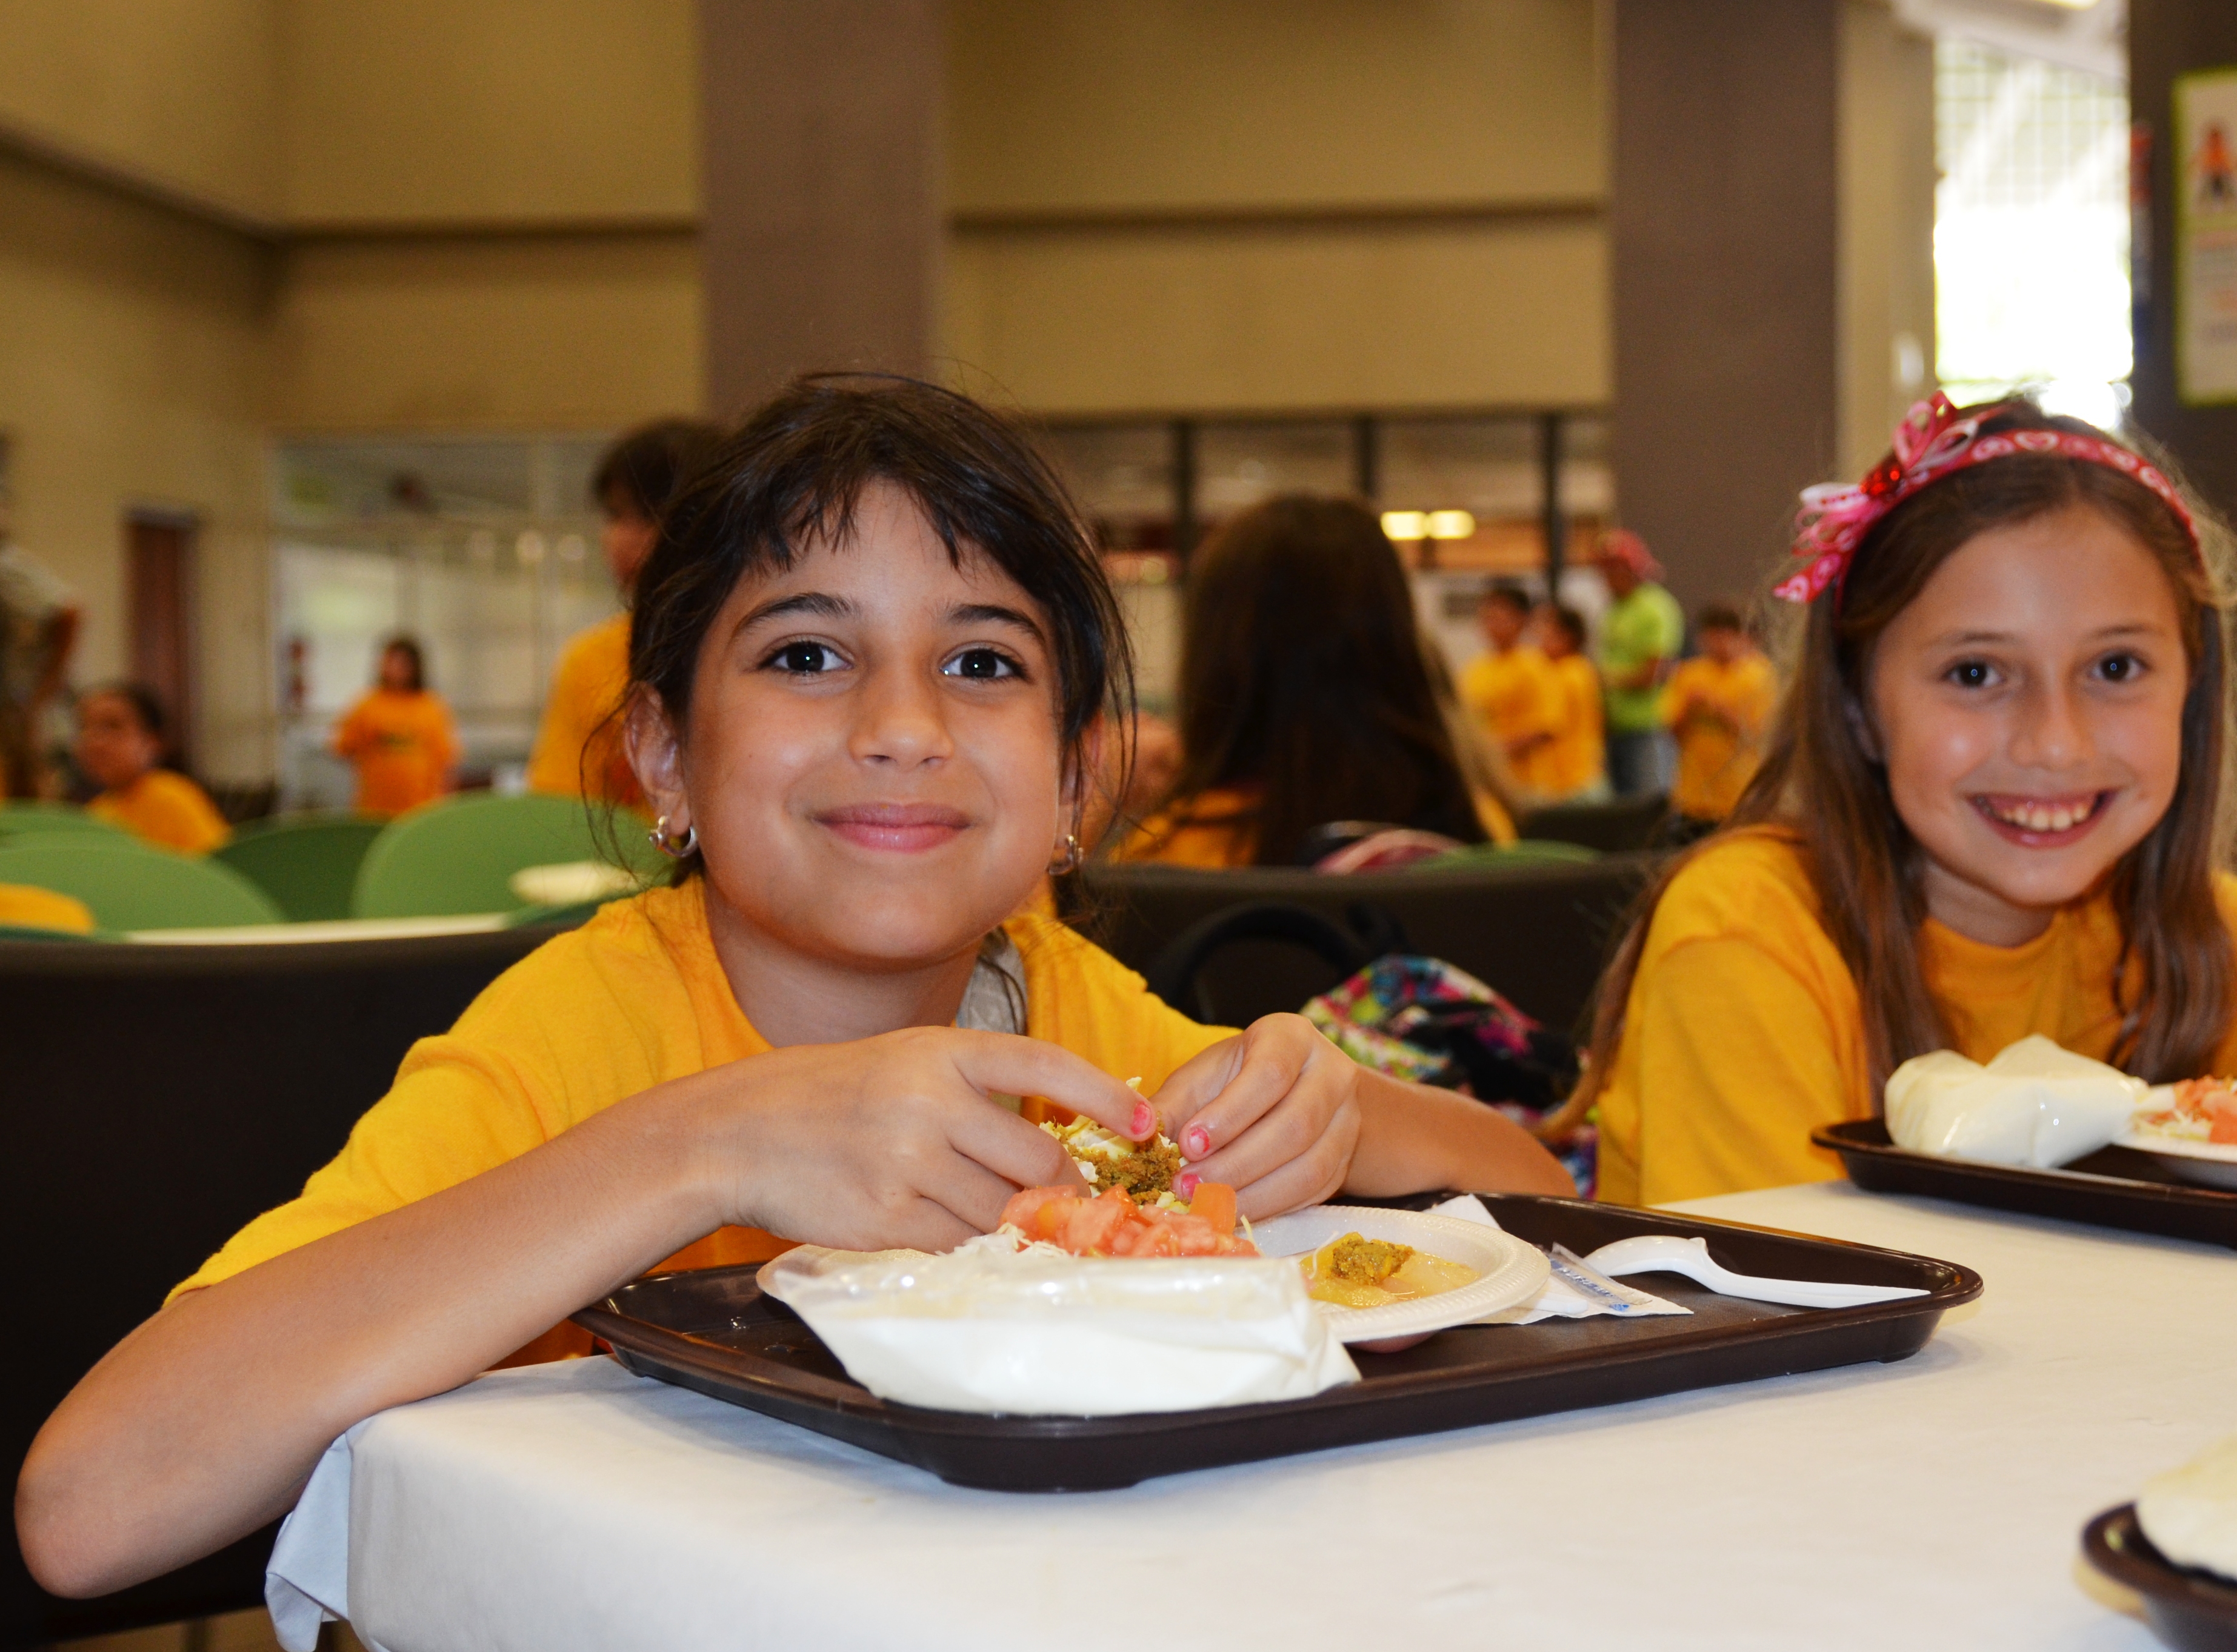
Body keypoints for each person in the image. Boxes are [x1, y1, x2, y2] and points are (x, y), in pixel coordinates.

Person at [18, 376, 1572, 1600]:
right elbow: (90, 1506)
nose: (902, 724)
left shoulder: (1075, 1017)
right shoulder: (584, 1028)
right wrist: (705, 1142)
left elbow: (1539, 1186)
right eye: (807, 655)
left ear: (1079, 770)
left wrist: (1336, 1102)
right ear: (662, 757)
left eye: (982, 662)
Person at [1563, 394, 2237, 1208]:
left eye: (2114, 670)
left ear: (2192, 692)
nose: (2054, 741)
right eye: (1975, 674)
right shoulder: (1747, 936)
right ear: (1854, 705)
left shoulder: (2172, 931)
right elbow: (1784, 1325)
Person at [1117, 495, 1514, 867]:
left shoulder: (1160, 856)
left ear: (1213, 661)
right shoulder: (1474, 836)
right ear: (1399, 651)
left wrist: (1095, 806)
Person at [528, 419, 724, 805]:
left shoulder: (762, 650)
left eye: (651, 515)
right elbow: (557, 817)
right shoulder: (590, 662)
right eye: (616, 515)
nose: (622, 538)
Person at [73, 683, 228, 855]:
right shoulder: (96, 811)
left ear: (153, 741)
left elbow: (219, 869)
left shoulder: (173, 797)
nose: (95, 741)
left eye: (113, 726)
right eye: (85, 727)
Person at [1661, 602, 1778, 825]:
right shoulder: (1690, 673)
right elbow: (1672, 732)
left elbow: (1755, 735)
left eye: (1726, 635)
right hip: (1693, 796)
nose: (1718, 643)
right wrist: (1689, 709)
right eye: (1711, 635)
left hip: (1737, 796)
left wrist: (1717, 707)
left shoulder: (1758, 675)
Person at [1593, 529, 1683, 799]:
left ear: (1632, 568)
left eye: (1613, 568)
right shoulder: (1614, 610)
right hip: (1614, 728)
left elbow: (1654, 673)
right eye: (1603, 569)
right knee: (1622, 812)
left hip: (1649, 727)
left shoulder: (1654, 607)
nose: (1606, 576)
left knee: (1649, 807)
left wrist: (1604, 680)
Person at [1458, 582, 1566, 797]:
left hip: (1528, 784)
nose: (1491, 624)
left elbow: (1547, 727)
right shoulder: (1475, 669)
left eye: (1499, 617)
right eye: (1487, 617)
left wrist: (1494, 752)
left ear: (1521, 620)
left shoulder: (1535, 665)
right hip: (1488, 784)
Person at [332, 636, 458, 816]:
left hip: (421, 810)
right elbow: (343, 748)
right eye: (391, 662)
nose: (396, 669)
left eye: (403, 663)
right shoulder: (367, 705)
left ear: (416, 667)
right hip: (374, 809)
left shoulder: (431, 706)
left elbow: (447, 761)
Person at [0, 525, 81, 799]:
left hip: (22, 703)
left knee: (35, 790)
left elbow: (68, 612)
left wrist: (46, 687)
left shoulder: (6, 565)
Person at [1532, 602, 1607, 803]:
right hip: (1590, 774)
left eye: (1546, 634)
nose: (1539, 640)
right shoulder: (1583, 668)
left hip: (1569, 783)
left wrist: (1502, 747)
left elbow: (1549, 727)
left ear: (1566, 637)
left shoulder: (1562, 674)